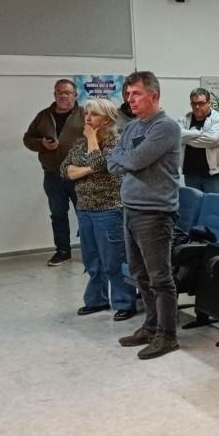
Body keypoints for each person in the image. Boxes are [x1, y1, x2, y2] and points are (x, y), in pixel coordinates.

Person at [107, 71, 182, 360]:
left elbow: (135, 160)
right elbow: (114, 162)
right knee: (140, 275)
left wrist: (126, 158)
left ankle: (167, 335)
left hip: (155, 212)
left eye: (136, 94)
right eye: (128, 95)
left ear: (154, 95)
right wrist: (126, 157)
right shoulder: (131, 128)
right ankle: (151, 326)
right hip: (131, 208)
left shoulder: (166, 128)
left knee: (160, 277)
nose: (130, 99)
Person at [59, 98, 137, 321]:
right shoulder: (79, 144)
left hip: (109, 210)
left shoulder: (118, 143)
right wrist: (88, 169)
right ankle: (97, 300)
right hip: (84, 209)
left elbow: (102, 165)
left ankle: (124, 302)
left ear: (106, 119)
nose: (87, 118)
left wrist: (92, 140)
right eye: (87, 113)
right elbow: (65, 170)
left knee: (114, 260)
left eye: (93, 114)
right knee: (92, 260)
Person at [23, 79, 85, 266]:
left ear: (75, 95)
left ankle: (91, 251)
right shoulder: (43, 116)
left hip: (79, 175)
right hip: (52, 175)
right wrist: (41, 143)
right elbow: (27, 139)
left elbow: (100, 137)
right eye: (59, 92)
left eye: (67, 92)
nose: (63, 95)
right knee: (58, 214)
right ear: (54, 95)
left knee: (86, 213)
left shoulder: (85, 114)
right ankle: (63, 251)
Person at [177, 88, 219, 194]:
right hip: (190, 174)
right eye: (194, 103)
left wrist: (186, 138)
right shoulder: (184, 119)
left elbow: (212, 140)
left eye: (201, 103)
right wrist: (196, 133)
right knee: (194, 208)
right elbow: (177, 135)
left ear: (209, 103)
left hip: (213, 176)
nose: (197, 107)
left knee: (214, 208)